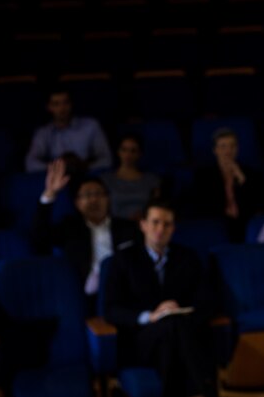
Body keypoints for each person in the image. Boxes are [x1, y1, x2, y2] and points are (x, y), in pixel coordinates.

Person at [101, 199, 210, 397]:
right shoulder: (123, 260)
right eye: (155, 222)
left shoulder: (188, 257)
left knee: (173, 326)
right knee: (171, 326)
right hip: (140, 339)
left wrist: (177, 312)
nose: (160, 229)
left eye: (167, 224)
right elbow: (111, 310)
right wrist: (150, 316)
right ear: (143, 225)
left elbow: (206, 301)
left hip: (179, 334)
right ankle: (204, 389)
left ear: (173, 228)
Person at [30, 158, 140, 316]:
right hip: (86, 298)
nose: (94, 199)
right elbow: (38, 237)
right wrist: (50, 193)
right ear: (77, 203)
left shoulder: (128, 228)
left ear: (108, 199)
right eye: (87, 195)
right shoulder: (70, 228)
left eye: (98, 194)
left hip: (125, 293)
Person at [193, 127, 264, 243]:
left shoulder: (251, 174)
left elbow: (260, 204)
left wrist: (242, 181)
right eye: (223, 146)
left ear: (237, 148)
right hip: (216, 225)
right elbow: (203, 206)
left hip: (244, 223)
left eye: (232, 146)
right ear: (215, 150)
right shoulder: (203, 177)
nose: (228, 151)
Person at [24, 85, 113, 174]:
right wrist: (58, 169)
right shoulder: (43, 133)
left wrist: (84, 167)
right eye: (56, 104)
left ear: (71, 104)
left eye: (65, 102)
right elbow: (31, 163)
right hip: (57, 177)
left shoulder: (90, 125)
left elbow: (106, 159)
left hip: (87, 176)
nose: (62, 108)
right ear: (49, 107)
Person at [100, 133, 161, 221]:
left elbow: (157, 207)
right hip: (116, 226)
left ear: (140, 153)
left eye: (133, 151)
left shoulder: (152, 180)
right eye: (124, 150)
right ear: (118, 152)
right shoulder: (105, 180)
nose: (128, 154)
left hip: (144, 224)